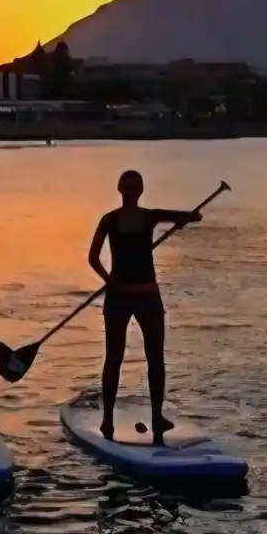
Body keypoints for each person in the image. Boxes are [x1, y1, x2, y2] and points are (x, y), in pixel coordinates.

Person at [88, 170, 204, 443]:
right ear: (138, 191)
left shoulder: (116, 218)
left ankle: (116, 419)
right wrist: (189, 217)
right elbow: (183, 215)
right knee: (148, 357)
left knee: (119, 358)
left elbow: (93, 258)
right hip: (139, 296)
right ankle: (149, 417)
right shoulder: (139, 217)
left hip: (131, 295)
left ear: (123, 190)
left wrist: (110, 281)